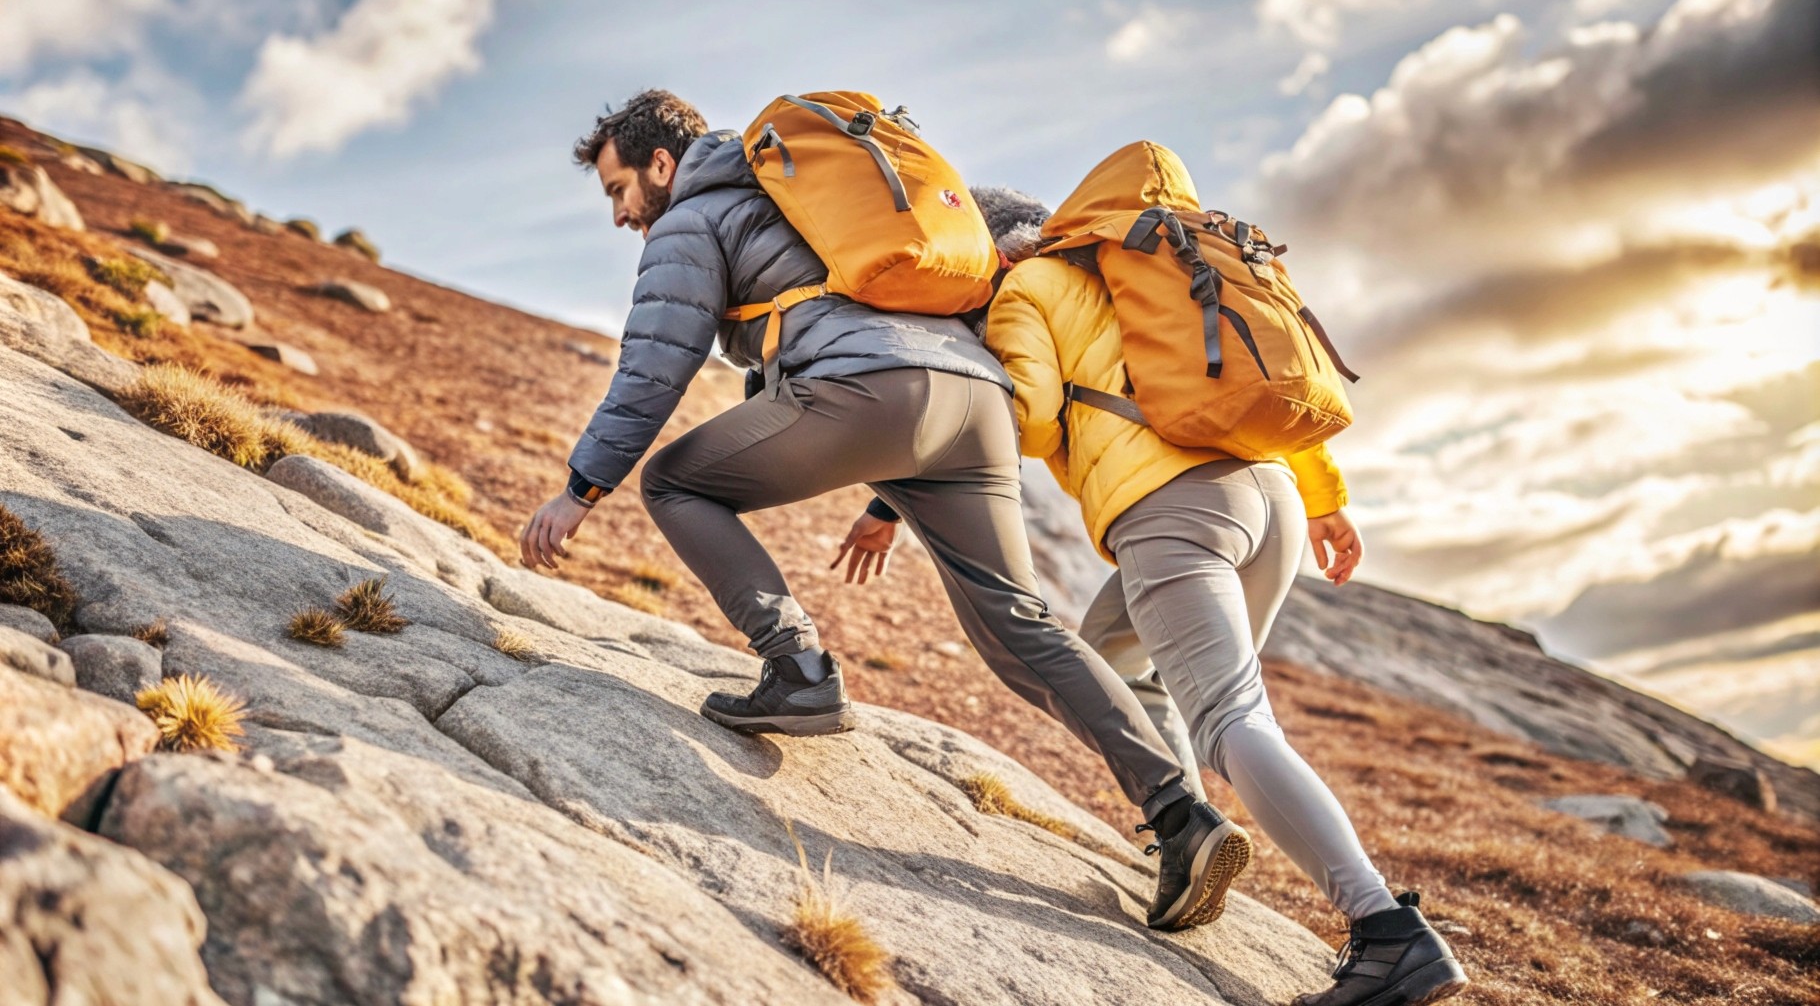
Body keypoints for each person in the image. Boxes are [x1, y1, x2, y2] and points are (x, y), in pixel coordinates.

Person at [517, 90, 1249, 931]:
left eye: (618, 191)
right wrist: (887, 504)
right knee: (1023, 627)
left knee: (676, 482)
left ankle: (795, 670)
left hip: (870, 395)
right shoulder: (799, 191)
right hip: (974, 403)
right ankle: (1182, 817)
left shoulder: (693, 218)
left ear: (660, 164)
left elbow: (655, 365)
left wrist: (581, 491)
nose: (619, 215)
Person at [837, 185, 1468, 1006]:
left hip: (1175, 509)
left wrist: (941, 397)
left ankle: (1384, 930)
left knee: (1231, 720)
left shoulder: (1027, 290)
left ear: (991, 252)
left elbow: (1024, 422)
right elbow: (1240, 375)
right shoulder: (1138, 272)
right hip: (1268, 495)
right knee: (1115, 654)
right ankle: (1190, 840)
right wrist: (1324, 502)